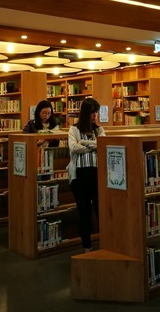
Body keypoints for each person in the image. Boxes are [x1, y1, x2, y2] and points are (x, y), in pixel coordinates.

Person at [67, 98, 105, 252]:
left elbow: (103, 145)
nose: (95, 115)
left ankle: (106, 243)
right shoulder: (73, 129)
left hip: (97, 175)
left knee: (100, 210)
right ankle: (87, 246)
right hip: (79, 176)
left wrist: (83, 142)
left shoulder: (99, 130)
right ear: (85, 113)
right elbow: (73, 148)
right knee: (84, 212)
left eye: (96, 112)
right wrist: (93, 146)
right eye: (92, 112)